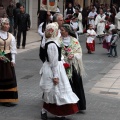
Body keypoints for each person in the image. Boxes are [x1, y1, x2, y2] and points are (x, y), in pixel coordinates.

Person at [39, 22, 79, 120]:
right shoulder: (51, 44)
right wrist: (56, 76)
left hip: (56, 67)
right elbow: (53, 62)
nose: (59, 32)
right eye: (57, 30)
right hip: (54, 69)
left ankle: (57, 112)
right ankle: (45, 110)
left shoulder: (51, 41)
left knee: (57, 91)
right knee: (53, 90)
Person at [60, 24, 86, 111]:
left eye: (62, 30)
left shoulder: (74, 40)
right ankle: (68, 106)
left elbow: (79, 52)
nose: (61, 31)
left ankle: (79, 105)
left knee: (76, 84)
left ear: (67, 31)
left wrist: (73, 55)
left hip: (73, 66)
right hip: (63, 65)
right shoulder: (59, 41)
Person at [0, 18, 18, 107]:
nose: (7, 26)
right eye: (6, 24)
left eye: (8, 24)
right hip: (0, 58)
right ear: (1, 25)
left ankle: (7, 99)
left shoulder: (11, 36)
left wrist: (13, 59)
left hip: (7, 58)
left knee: (8, 77)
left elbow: (13, 48)